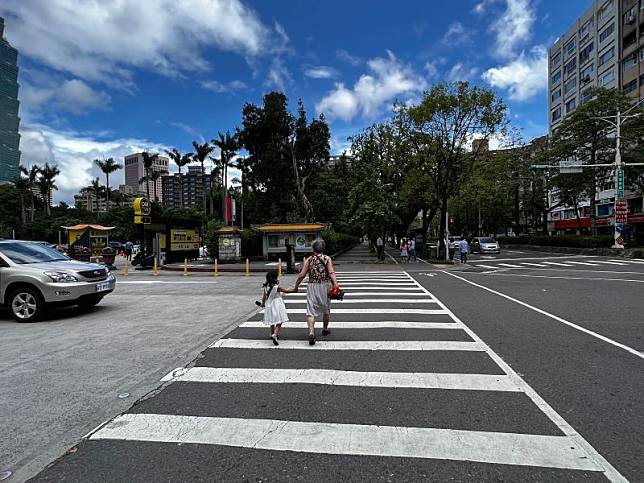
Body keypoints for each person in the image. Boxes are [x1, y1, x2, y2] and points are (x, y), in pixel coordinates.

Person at [294, 239, 339, 345]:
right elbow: (331, 272)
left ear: (313, 248)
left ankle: (311, 332)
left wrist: (296, 286)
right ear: (323, 248)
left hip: (312, 286)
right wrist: (336, 284)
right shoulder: (327, 258)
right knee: (326, 309)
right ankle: (325, 329)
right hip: (325, 286)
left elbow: (302, 275)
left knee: (310, 310)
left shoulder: (309, 259)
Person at [261, 270, 296, 346]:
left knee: (272, 320)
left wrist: (263, 304)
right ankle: (275, 334)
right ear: (275, 278)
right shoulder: (277, 287)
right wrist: (294, 290)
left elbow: (264, 297)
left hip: (269, 304)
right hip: (277, 304)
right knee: (279, 321)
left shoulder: (266, 287)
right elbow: (286, 291)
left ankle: (272, 333)